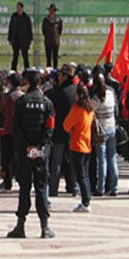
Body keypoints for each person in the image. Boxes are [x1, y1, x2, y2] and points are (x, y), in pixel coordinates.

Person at [7, 68, 55, 239]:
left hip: (24, 152)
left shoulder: (21, 102)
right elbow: (49, 129)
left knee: (24, 189)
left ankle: (20, 226)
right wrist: (38, 147)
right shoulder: (47, 103)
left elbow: (16, 128)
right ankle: (45, 227)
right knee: (41, 188)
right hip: (41, 153)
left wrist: (27, 146)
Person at [63, 80, 94, 212]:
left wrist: (72, 131)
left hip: (77, 144)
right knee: (85, 175)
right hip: (87, 143)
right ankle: (87, 199)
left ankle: (85, 202)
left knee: (81, 176)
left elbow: (66, 125)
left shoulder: (76, 109)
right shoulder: (89, 109)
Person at [47, 64, 77, 198]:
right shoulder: (76, 90)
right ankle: (73, 187)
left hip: (59, 130)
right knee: (72, 161)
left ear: (65, 76)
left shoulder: (58, 92)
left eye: (60, 74)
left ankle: (53, 188)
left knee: (56, 162)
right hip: (73, 130)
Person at [90, 70, 118, 197]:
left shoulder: (96, 98)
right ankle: (114, 187)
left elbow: (90, 111)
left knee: (101, 160)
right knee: (112, 158)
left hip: (100, 130)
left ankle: (100, 187)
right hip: (112, 127)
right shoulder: (111, 94)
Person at [7, 2, 33, 71]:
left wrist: (30, 39)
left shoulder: (26, 17)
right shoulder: (14, 16)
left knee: (25, 57)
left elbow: (29, 28)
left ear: (22, 8)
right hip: (15, 40)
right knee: (15, 56)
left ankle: (27, 70)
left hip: (24, 40)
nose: (18, 9)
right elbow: (10, 27)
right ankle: (13, 70)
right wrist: (9, 38)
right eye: (17, 7)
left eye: (19, 7)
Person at [41, 4, 63, 70]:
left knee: (55, 58)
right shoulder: (46, 19)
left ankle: (55, 70)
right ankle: (48, 71)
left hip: (55, 42)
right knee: (48, 58)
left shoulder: (58, 20)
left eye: (53, 10)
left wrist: (56, 36)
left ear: (55, 11)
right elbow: (43, 30)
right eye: (50, 10)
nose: (51, 11)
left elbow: (60, 30)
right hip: (48, 41)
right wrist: (47, 36)